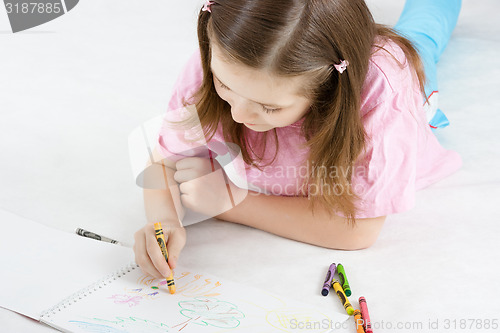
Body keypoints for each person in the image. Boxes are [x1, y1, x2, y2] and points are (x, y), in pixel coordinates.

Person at [133, 0, 463, 280]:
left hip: (404, 89)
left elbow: (359, 230)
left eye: (269, 107)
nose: (237, 116)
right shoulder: (227, 62)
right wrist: (163, 222)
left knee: (421, 38)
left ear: (325, 93)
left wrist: (233, 203)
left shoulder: (383, 91)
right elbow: (164, 161)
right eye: (225, 87)